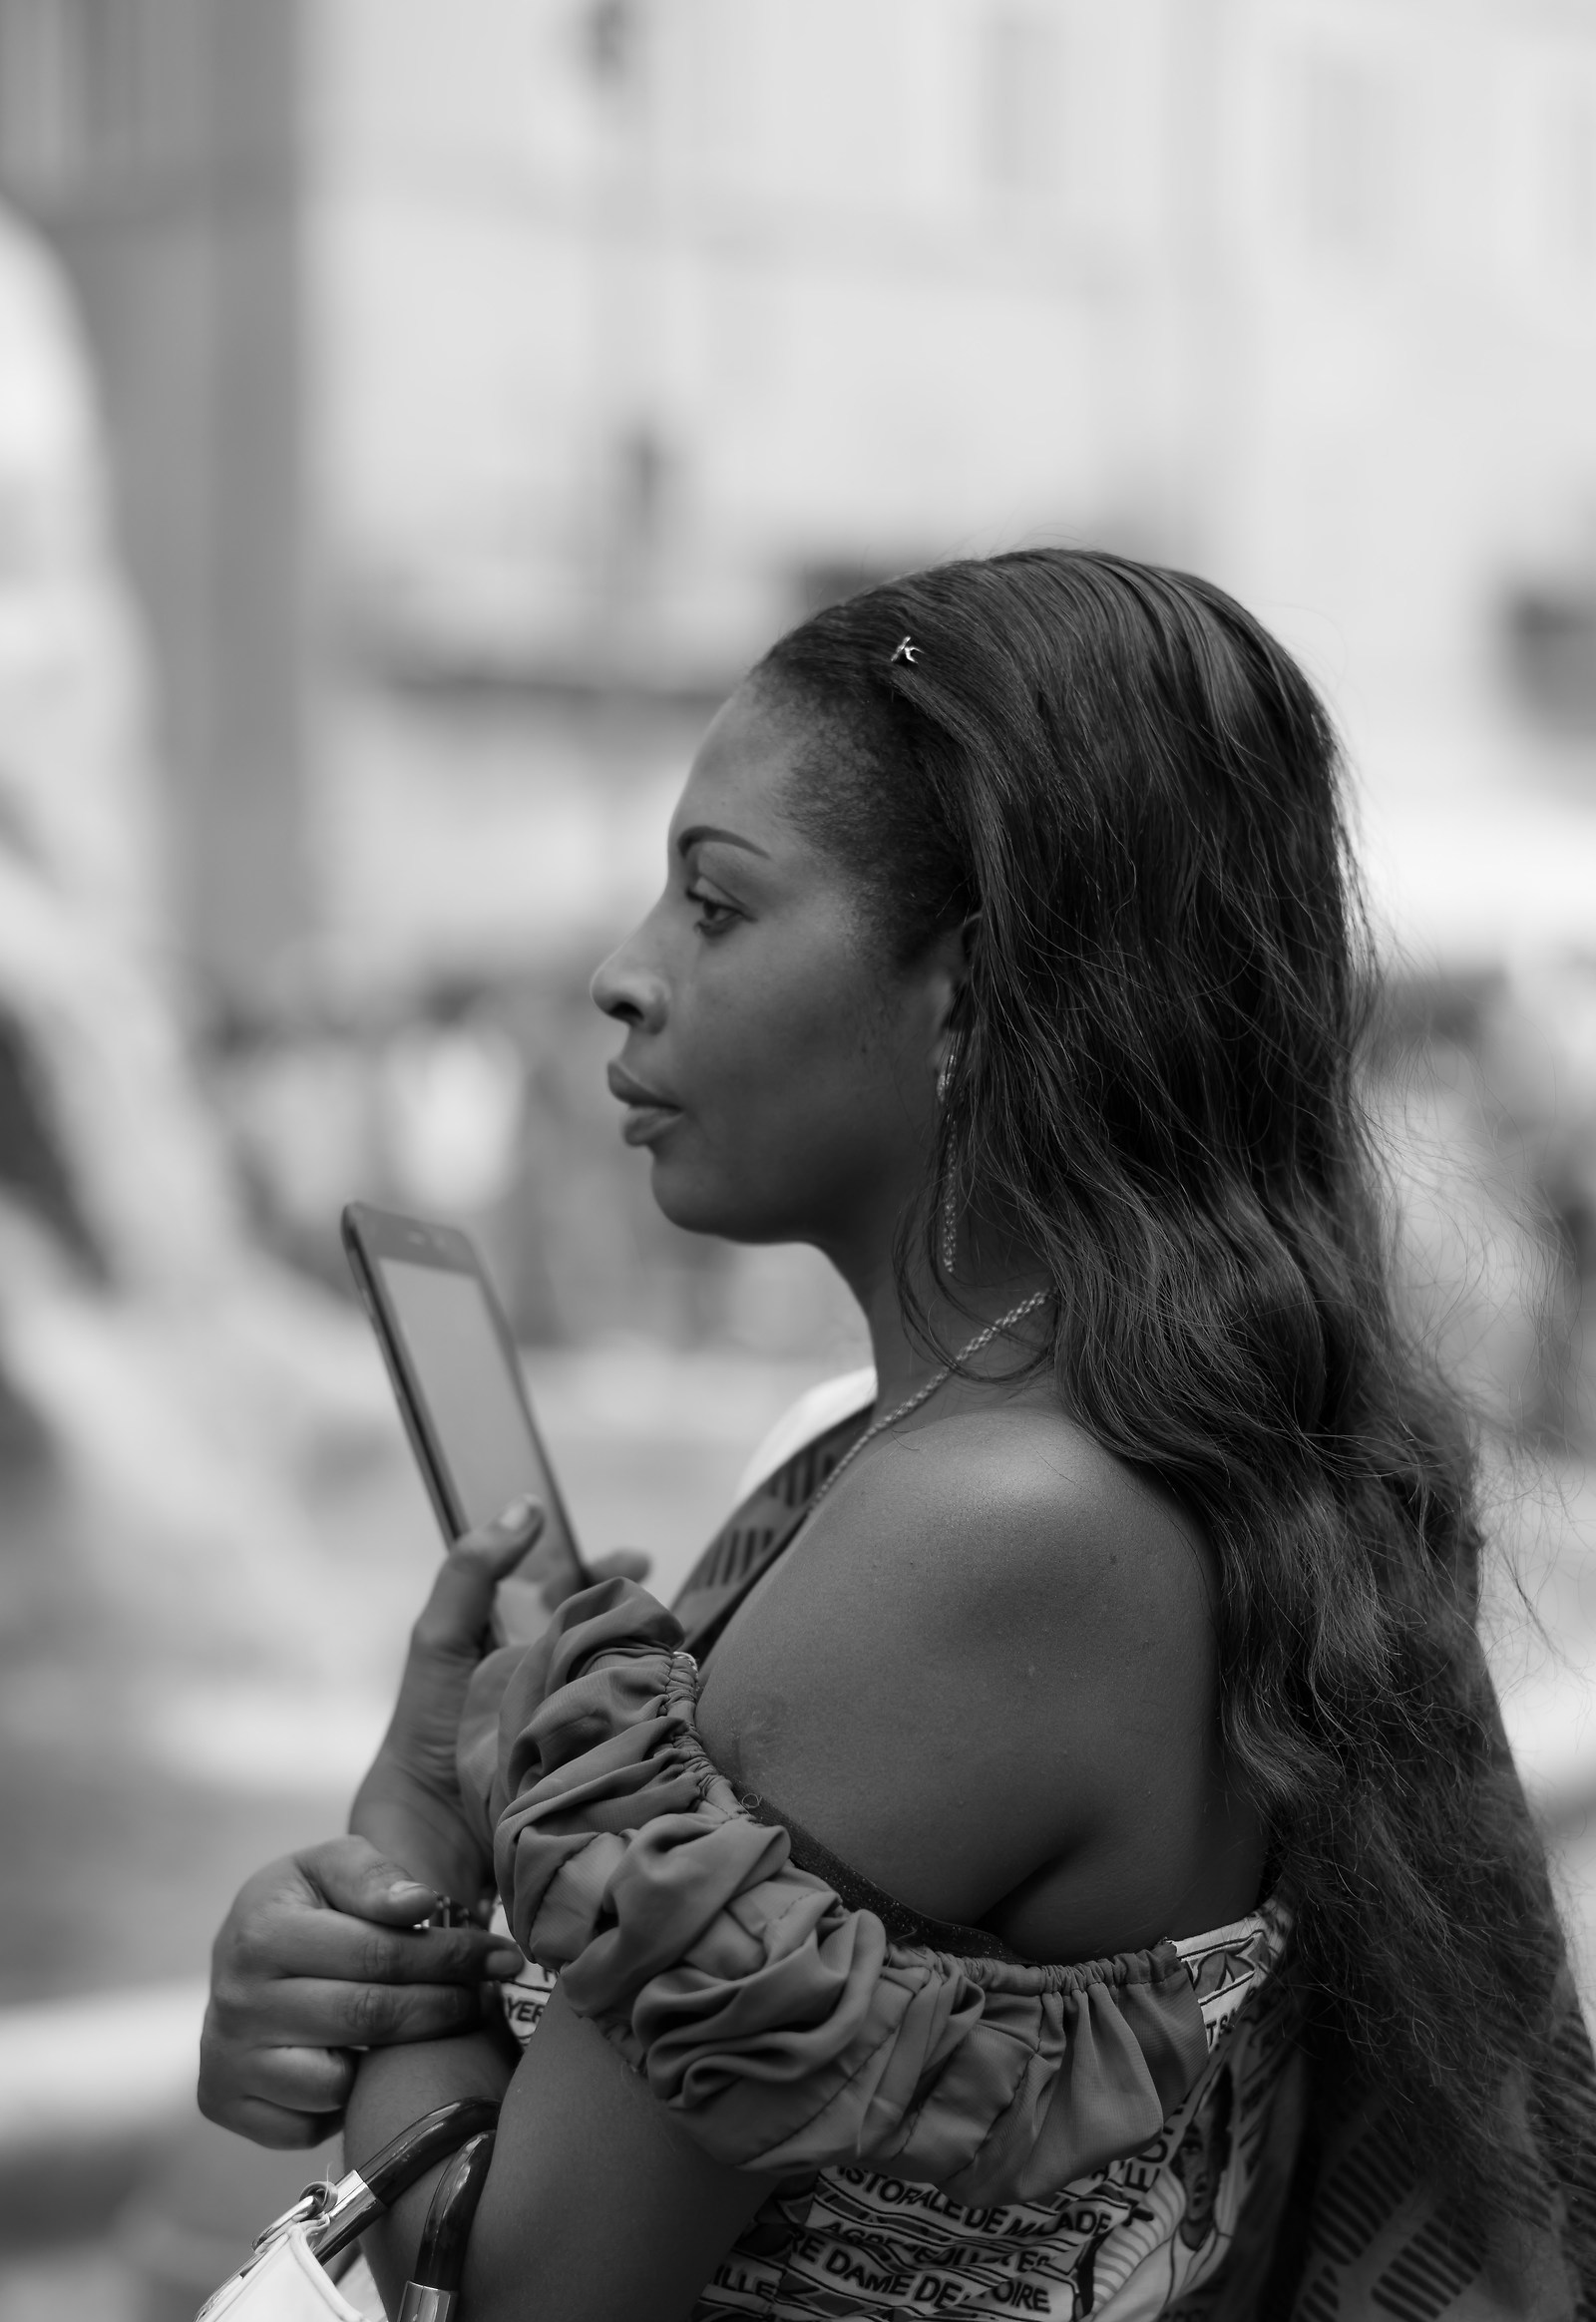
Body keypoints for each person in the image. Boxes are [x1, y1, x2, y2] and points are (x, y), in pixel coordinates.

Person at [200, 552, 1595, 2319]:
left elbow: (510, 2287)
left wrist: (407, 1852)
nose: (624, 979)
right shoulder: (1075, 1445)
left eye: (715, 905)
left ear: (974, 982)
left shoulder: (990, 1532)